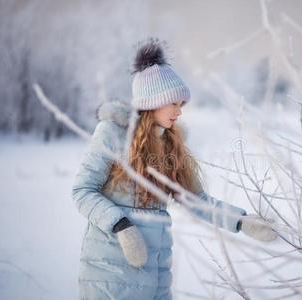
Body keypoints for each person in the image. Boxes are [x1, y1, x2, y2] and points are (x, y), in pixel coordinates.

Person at [71, 37, 278, 300]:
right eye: (174, 104)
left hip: (155, 278)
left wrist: (241, 221)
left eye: (181, 106)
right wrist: (121, 225)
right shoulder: (111, 133)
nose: (179, 112)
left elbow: (196, 201)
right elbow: (82, 191)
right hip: (109, 275)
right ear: (153, 102)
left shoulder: (170, 145)